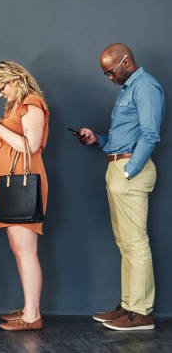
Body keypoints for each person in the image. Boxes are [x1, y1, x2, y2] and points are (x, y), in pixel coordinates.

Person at [79, 43, 164, 331]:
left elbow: (150, 135)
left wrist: (128, 171)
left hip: (130, 172)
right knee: (125, 243)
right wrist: (99, 140)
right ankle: (129, 306)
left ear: (126, 61)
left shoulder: (146, 86)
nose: (110, 78)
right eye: (107, 74)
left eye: (111, 72)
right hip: (118, 167)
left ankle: (141, 312)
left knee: (136, 242)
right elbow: (125, 137)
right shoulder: (128, 89)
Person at [0, 60, 49, 331]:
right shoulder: (16, 106)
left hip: (22, 183)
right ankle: (29, 308)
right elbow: (15, 140)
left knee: (26, 251)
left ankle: (33, 316)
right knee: (19, 249)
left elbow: (30, 146)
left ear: (15, 80)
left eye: (0, 88)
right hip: (12, 183)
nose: (0, 94)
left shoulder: (32, 104)